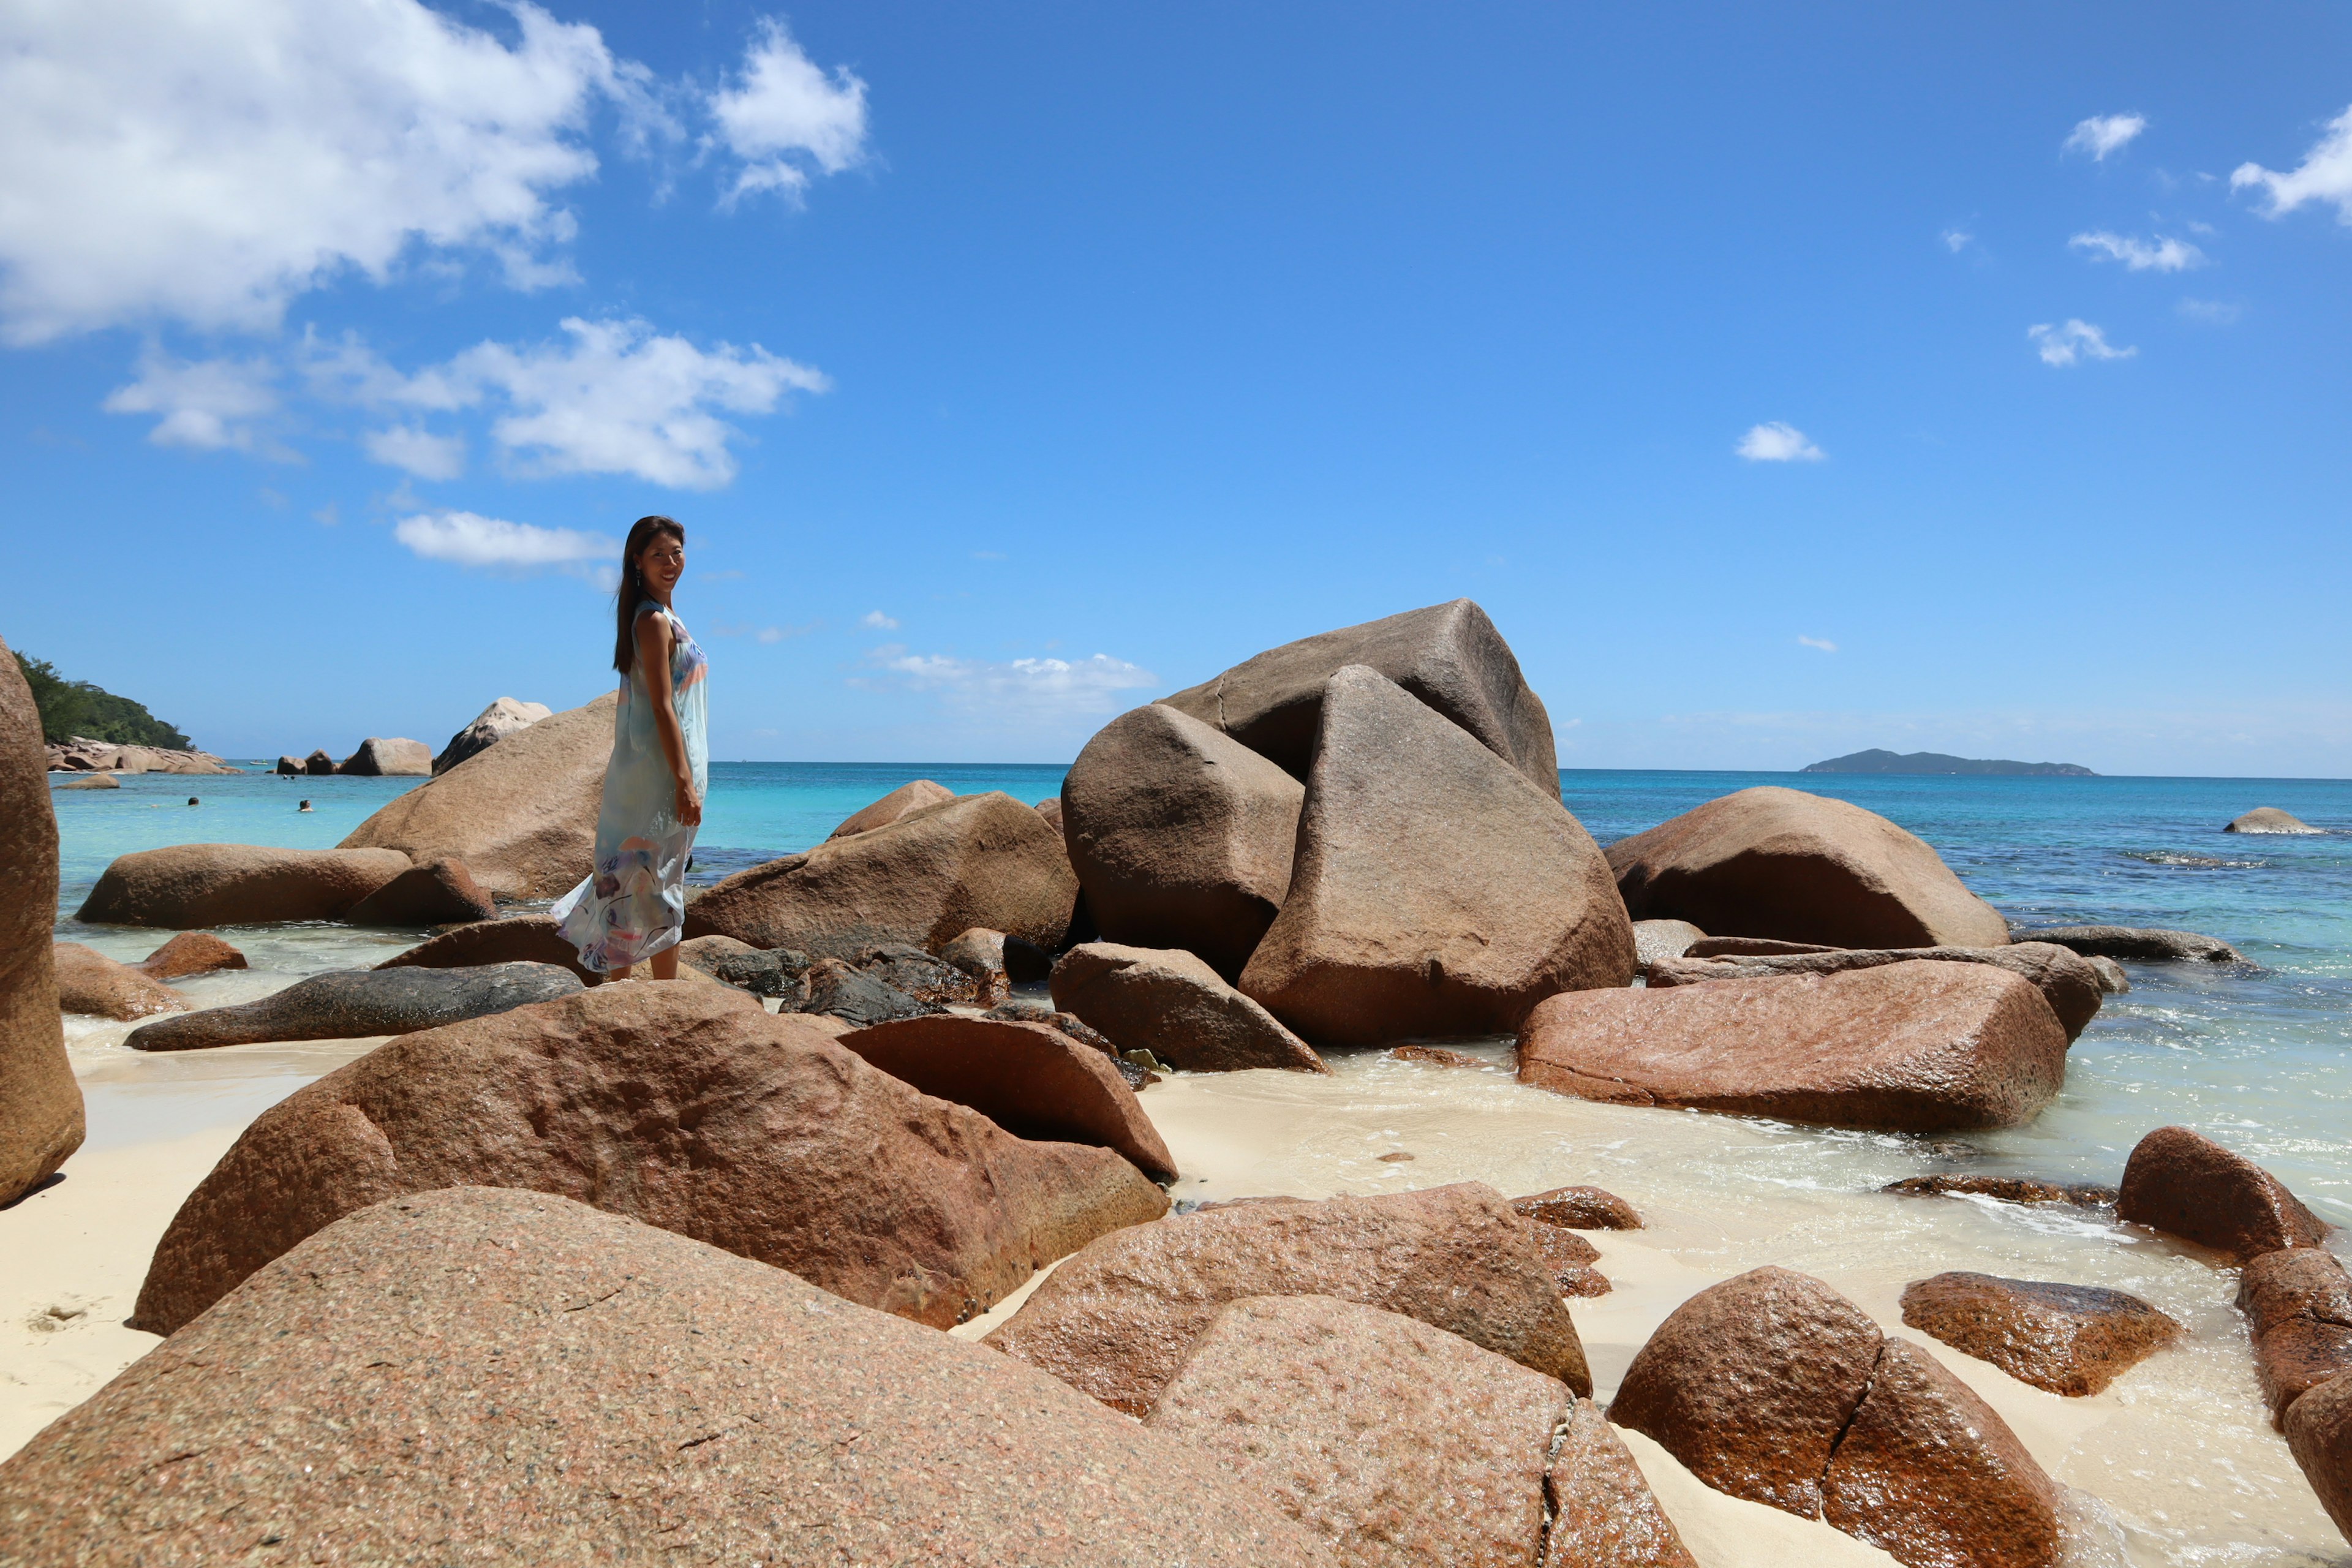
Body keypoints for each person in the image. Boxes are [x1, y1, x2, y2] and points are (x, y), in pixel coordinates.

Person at [551, 515, 708, 981]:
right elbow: (662, 707)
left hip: (670, 769)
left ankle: (629, 1001)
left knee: (646, 879)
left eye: (677, 552)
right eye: (659, 554)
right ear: (637, 561)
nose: (670, 562)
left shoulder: (666, 617)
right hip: (659, 774)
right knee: (653, 882)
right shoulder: (653, 621)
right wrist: (682, 780)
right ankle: (657, 1001)